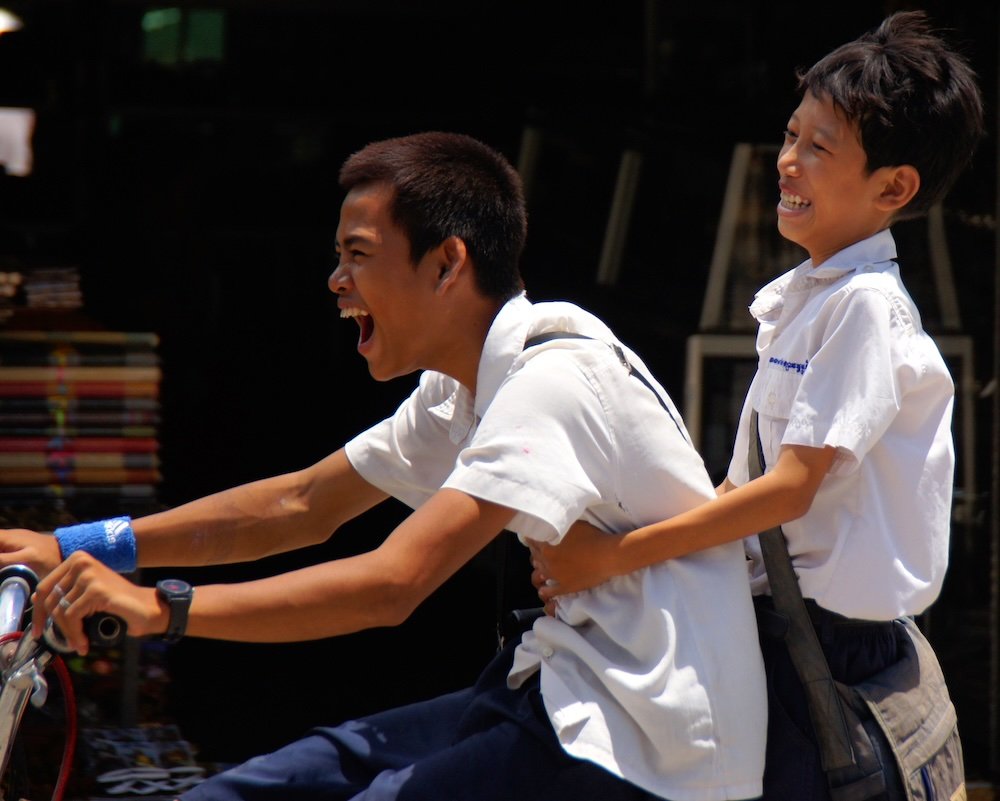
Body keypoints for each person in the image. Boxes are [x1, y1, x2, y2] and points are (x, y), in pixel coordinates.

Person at [0, 131, 766, 801]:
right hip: (553, 685)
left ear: (446, 264)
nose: (336, 281)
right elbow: (305, 503)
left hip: (647, 741)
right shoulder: (460, 387)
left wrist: (162, 608)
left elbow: (393, 584)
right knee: (248, 789)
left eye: (358, 256)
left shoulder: (552, 384)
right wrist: (75, 547)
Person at [529, 11, 984, 801]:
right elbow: (749, 494)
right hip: (775, 631)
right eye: (790, 135)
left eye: (818, 147)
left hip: (828, 652)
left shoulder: (865, 308)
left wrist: (612, 557)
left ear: (894, 187)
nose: (787, 163)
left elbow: (786, 491)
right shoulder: (809, 300)